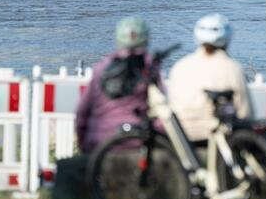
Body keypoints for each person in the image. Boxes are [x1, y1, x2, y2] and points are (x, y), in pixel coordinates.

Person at [74, 17, 163, 153]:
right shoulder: (150, 67)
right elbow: (163, 109)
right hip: (137, 142)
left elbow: (82, 112)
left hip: (100, 143)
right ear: (146, 39)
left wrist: (83, 145)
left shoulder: (101, 68)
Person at [168, 14, 252, 143]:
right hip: (216, 138)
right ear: (227, 39)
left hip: (181, 138)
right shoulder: (233, 68)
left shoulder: (180, 66)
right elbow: (245, 111)